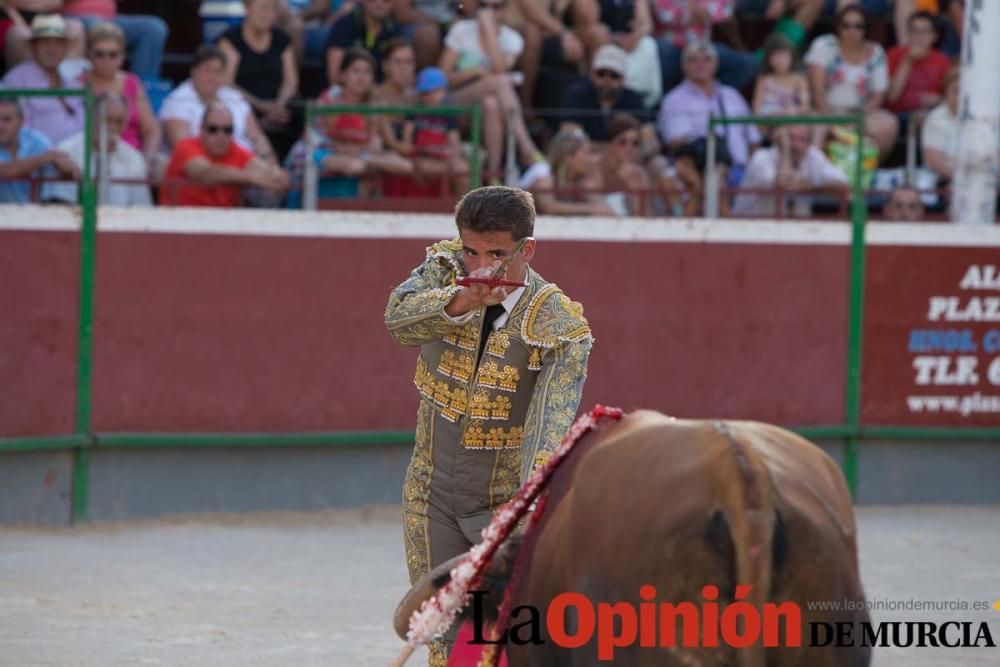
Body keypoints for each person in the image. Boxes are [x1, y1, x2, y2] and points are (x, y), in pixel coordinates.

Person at [384, 184, 592, 666]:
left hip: (501, 508)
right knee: (441, 636)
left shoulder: (559, 327)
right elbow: (397, 320)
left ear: (527, 249)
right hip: (429, 493)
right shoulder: (444, 270)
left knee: (498, 642)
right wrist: (459, 304)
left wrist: (523, 521)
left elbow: (548, 429)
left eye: (497, 253)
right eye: (472, 250)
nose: (481, 267)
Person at [439, 0, 543, 181]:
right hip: (456, 102)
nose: (489, 12)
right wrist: (477, 71)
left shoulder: (512, 39)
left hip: (485, 109)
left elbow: (500, 68)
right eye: (484, 6)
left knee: (492, 104)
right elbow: (443, 77)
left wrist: (489, 33)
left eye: (497, 6)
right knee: (501, 83)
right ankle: (528, 150)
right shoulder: (461, 30)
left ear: (506, 9)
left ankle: (493, 173)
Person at [657, 40, 761, 188]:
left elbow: (753, 139)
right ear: (684, 65)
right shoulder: (674, 100)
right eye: (693, 60)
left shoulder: (732, 95)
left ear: (716, 64)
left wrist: (750, 171)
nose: (701, 65)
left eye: (707, 59)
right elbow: (677, 143)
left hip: (742, 172)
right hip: (701, 173)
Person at [804, 3, 898, 159]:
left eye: (858, 26)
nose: (851, 31)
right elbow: (817, 91)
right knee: (817, 128)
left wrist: (855, 120)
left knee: (888, 125)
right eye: (845, 25)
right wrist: (833, 122)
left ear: (865, 28)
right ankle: (818, 176)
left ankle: (866, 174)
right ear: (838, 27)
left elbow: (878, 96)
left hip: (859, 113)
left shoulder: (876, 52)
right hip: (824, 111)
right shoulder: (824, 45)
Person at [159, 45, 279, 164]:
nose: (212, 77)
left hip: (247, 165)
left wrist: (270, 162)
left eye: (218, 71)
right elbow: (183, 150)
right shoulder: (178, 101)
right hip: (204, 170)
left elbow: (257, 137)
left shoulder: (234, 97)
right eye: (207, 70)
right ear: (194, 71)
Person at [161, 103, 290, 207]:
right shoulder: (186, 146)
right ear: (201, 129)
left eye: (227, 130)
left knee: (266, 196)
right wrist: (250, 177)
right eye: (213, 129)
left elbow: (263, 168)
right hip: (180, 224)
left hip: (224, 225)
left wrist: (276, 175)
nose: (220, 136)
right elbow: (204, 172)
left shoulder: (235, 150)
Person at [217, 0, 300, 160]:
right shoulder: (230, 40)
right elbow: (227, 84)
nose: (267, 14)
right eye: (262, 7)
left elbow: (291, 82)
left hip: (279, 107)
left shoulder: (282, 39)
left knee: (298, 113)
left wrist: (278, 105)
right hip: (245, 105)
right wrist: (261, 105)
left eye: (271, 9)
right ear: (247, 8)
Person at [42, 94, 152, 206]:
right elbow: (59, 205)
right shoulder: (66, 151)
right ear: (91, 118)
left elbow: (141, 207)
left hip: (122, 221)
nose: (113, 127)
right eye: (107, 120)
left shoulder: (134, 158)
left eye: (118, 121)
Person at [80, 22, 160, 169]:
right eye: (100, 54)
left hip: (131, 159)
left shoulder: (133, 83)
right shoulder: (78, 84)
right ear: (89, 54)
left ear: (122, 56)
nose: (106, 60)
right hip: (89, 158)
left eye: (113, 55)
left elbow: (151, 129)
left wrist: (146, 160)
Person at [1, 14, 84, 146]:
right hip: (38, 160)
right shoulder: (16, 81)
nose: (52, 49)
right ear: (33, 47)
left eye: (58, 44)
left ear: (65, 48)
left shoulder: (73, 80)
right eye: (45, 43)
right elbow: (17, 133)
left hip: (79, 158)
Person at [733, 124, 849, 217]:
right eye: (791, 138)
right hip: (752, 230)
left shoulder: (813, 155)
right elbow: (783, 184)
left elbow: (842, 184)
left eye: (802, 140)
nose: (796, 145)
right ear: (780, 139)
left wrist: (809, 184)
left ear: (809, 143)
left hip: (794, 232)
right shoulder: (761, 157)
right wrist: (785, 149)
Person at [651, 0, 758, 92]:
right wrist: (702, 14)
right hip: (673, 48)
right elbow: (664, 15)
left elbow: (726, 9)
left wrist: (695, 12)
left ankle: (709, 97)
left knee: (747, 63)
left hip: (703, 47)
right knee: (660, 54)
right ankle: (670, 102)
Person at [556, 44, 648, 141]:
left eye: (614, 75)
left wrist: (636, 137)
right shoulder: (576, 94)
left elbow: (651, 142)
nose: (606, 80)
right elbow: (570, 141)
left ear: (623, 79)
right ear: (591, 74)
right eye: (601, 74)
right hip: (586, 155)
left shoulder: (633, 99)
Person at [400, 67, 469, 195]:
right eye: (426, 92)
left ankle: (464, 208)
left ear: (443, 91)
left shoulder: (448, 113)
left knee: (462, 169)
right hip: (421, 157)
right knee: (424, 168)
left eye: (435, 91)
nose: (431, 96)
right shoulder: (414, 112)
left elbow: (454, 140)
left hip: (443, 158)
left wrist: (454, 160)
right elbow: (407, 141)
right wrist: (415, 154)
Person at [520, 126, 617, 215]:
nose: (590, 159)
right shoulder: (544, 178)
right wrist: (589, 208)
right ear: (568, 156)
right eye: (586, 153)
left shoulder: (581, 182)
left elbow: (605, 210)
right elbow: (550, 208)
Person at [61, 0, 169, 80]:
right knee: (99, 27)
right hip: (76, 17)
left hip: (111, 18)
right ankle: (109, 89)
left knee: (154, 28)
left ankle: (142, 91)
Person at [0, 97, 78, 203]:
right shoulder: (41, 149)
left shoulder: (36, 140)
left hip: (37, 216)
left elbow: (68, 173)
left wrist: (65, 168)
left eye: (7, 120)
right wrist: (45, 158)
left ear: (21, 120)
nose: (1, 126)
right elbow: (4, 171)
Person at [886, 10, 950, 114]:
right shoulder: (894, 54)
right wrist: (908, 61)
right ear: (908, 34)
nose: (919, 36)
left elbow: (947, 98)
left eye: (924, 31)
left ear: (935, 36)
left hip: (929, 114)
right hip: (897, 115)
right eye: (914, 31)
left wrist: (935, 100)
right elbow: (891, 97)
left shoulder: (942, 60)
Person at [324, 0, 399, 84]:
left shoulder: (393, 29)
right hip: (345, 91)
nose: (379, 3)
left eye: (386, 0)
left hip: (377, 91)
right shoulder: (346, 24)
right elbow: (334, 76)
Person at [2, 2, 86, 68]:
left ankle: (66, 77)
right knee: (19, 34)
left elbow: (55, 3)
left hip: (48, 20)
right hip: (11, 19)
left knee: (76, 28)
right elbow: (6, 3)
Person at [599, 113, 652, 216]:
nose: (629, 148)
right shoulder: (596, 167)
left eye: (635, 143)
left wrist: (632, 188)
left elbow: (645, 217)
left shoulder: (640, 174)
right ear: (610, 142)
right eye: (623, 142)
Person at [752, 33, 811, 118]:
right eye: (774, 55)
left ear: (792, 56)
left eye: (783, 55)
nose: (779, 60)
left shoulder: (799, 79)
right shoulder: (764, 79)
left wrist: (794, 110)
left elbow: (805, 106)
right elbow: (756, 108)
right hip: (768, 120)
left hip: (790, 121)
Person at [921, 67, 958, 183]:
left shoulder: (986, 118)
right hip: (944, 180)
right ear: (945, 93)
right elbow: (934, 161)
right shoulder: (936, 118)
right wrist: (962, 180)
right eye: (955, 91)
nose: (960, 96)